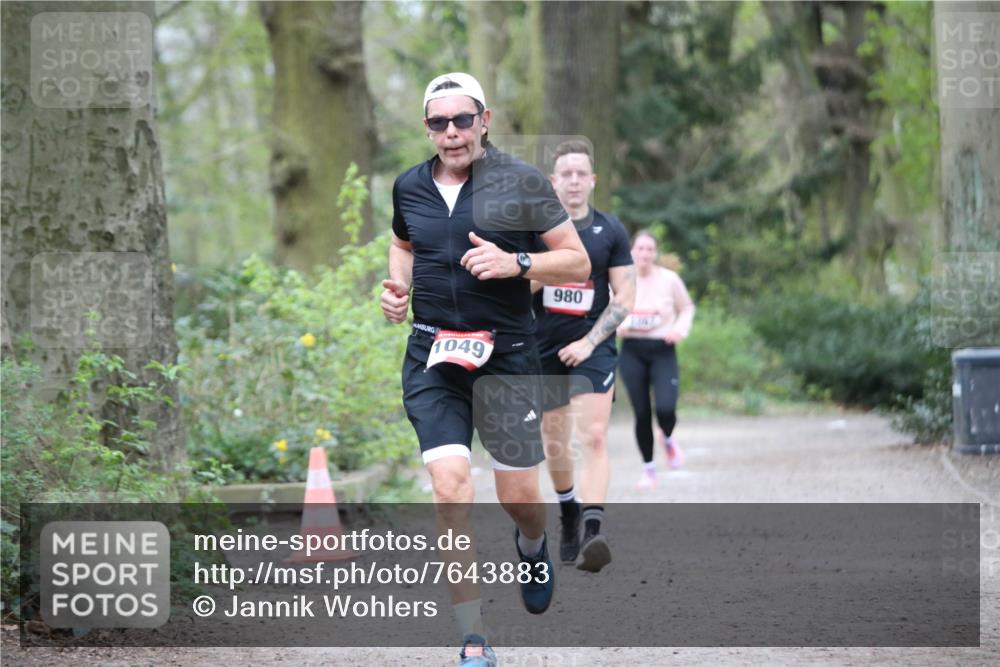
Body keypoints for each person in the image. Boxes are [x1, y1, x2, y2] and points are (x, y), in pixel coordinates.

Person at [380, 72, 591, 667]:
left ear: (485, 120)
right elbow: (403, 244)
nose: (452, 133)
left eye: (462, 120)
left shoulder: (520, 182)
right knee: (450, 489)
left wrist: (516, 260)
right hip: (432, 356)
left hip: (506, 356)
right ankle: (472, 635)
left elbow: (574, 264)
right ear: (427, 127)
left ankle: (533, 545)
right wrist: (397, 289)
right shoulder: (409, 187)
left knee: (519, 494)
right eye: (439, 123)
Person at [532, 140, 635, 573]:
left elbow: (626, 296)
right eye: (566, 174)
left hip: (592, 348)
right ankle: (569, 510)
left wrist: (591, 343)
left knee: (593, 435)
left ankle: (594, 530)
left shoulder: (609, 231)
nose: (574, 181)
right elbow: (514, 287)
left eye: (581, 174)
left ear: (592, 181)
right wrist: (539, 268)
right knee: (555, 442)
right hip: (542, 348)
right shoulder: (536, 231)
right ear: (554, 182)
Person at [616, 230, 695, 488]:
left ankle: (669, 438)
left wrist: (679, 330)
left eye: (650, 249)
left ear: (656, 253)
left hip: (662, 349)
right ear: (632, 252)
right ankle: (648, 469)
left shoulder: (669, 279)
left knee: (665, 409)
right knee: (641, 412)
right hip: (632, 350)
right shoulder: (621, 279)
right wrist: (618, 325)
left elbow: (687, 307)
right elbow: (608, 309)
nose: (645, 254)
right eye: (640, 249)